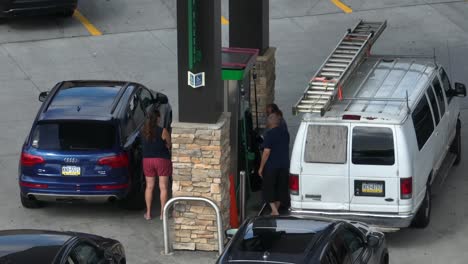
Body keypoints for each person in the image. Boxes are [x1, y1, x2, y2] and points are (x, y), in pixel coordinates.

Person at [141, 109, 172, 220]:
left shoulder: (143, 131)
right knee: (163, 187)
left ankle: (148, 213)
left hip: (147, 161)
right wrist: (167, 145)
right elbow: (169, 144)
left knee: (149, 187)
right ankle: (162, 214)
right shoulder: (162, 131)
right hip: (161, 160)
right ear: (158, 118)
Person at [258, 114, 290, 215]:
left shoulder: (269, 134)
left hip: (272, 166)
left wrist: (261, 167)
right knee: (281, 187)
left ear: (270, 122)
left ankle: (274, 210)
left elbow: (266, 152)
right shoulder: (286, 133)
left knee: (269, 187)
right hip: (284, 165)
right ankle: (275, 210)